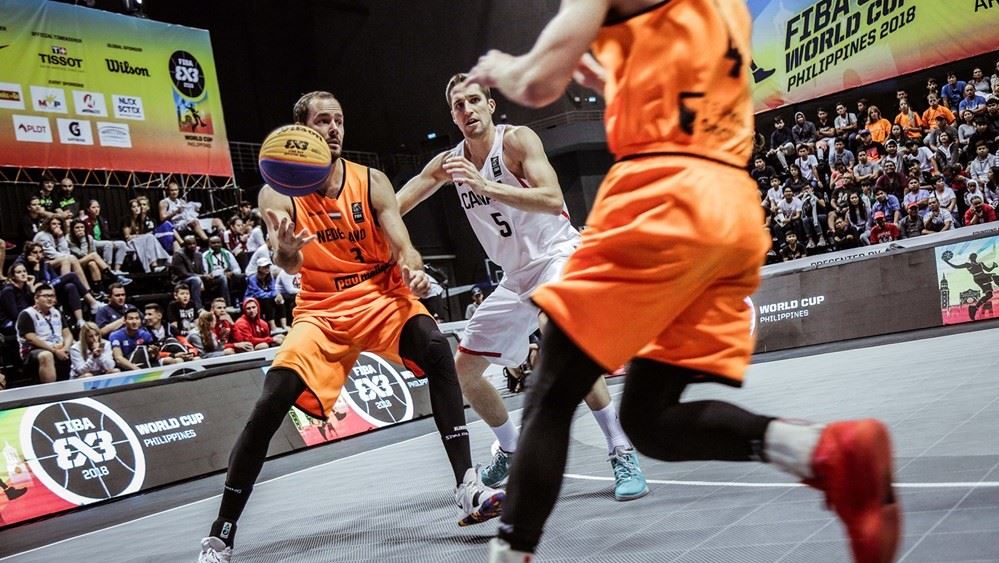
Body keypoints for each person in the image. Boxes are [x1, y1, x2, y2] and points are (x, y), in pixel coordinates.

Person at [466, 1, 899, 561]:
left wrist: (501, 69)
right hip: (731, 209)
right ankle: (827, 453)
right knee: (648, 418)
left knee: (550, 392)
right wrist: (614, 79)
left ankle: (510, 553)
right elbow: (687, 87)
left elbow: (537, 81)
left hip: (662, 197)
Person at [198, 90, 504, 562]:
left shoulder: (371, 180)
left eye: (339, 120)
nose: (335, 129)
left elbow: (404, 247)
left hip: (382, 295)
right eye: (324, 121)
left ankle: (466, 484)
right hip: (322, 309)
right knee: (271, 400)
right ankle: (221, 532)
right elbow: (289, 262)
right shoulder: (277, 190)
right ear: (302, 131)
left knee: (437, 348)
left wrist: (414, 271)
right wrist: (283, 247)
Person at [397, 73, 646, 497]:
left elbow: (551, 197)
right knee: (467, 371)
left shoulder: (516, 142)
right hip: (515, 277)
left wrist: (485, 186)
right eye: (459, 105)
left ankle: (621, 450)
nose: (467, 110)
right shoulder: (449, 161)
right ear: (452, 116)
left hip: (557, 255)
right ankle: (512, 450)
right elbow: (396, 204)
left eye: (474, 101)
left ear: (490, 106)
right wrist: (354, 221)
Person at [16, 284, 73, 383]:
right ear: (36, 298)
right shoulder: (26, 314)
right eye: (46, 296)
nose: (50, 299)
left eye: (52, 296)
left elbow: (67, 334)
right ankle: (51, 394)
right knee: (46, 355)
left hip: (59, 347)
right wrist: (54, 351)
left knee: (80, 348)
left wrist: (66, 348)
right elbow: (31, 338)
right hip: (34, 351)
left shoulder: (56, 312)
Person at [942, 251, 997, 320]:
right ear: (970, 258)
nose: (973, 258)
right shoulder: (968, 265)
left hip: (985, 276)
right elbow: (956, 267)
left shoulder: (980, 264)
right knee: (994, 276)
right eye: (972, 257)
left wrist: (993, 266)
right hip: (979, 279)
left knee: (989, 295)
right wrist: (947, 261)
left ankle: (974, 308)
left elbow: (988, 270)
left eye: (974, 257)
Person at [170, 235, 212, 310]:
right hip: (181, 280)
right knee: (196, 280)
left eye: (194, 244)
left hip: (196, 277)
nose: (192, 246)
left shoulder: (198, 255)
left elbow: (202, 271)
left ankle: (219, 305)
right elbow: (183, 274)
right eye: (189, 244)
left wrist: (206, 275)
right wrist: (201, 277)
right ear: (185, 245)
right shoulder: (178, 255)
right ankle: (198, 307)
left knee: (221, 279)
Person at [0, 263, 35, 336]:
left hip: (22, 318)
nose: (23, 274)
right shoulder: (8, 291)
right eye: (19, 272)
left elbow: (33, 305)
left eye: (24, 271)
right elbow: (14, 315)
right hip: (8, 323)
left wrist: (31, 287)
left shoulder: (25, 288)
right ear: (12, 276)